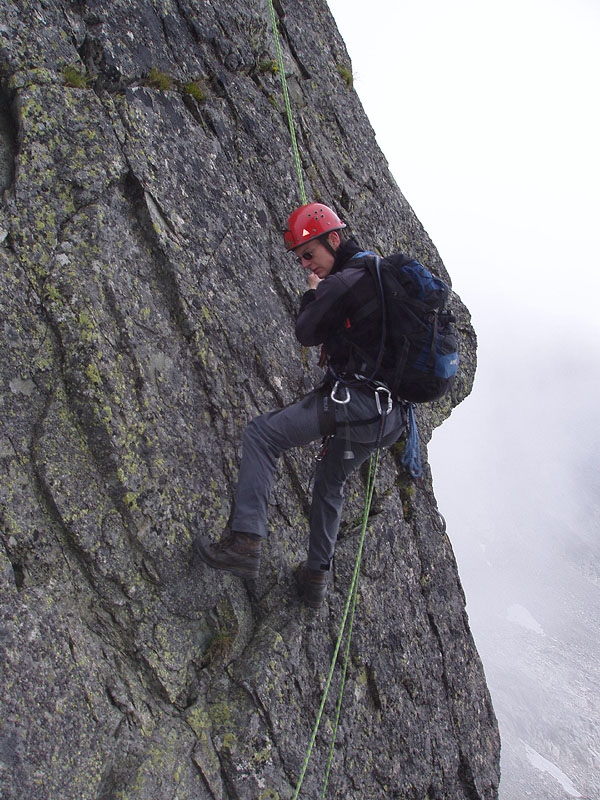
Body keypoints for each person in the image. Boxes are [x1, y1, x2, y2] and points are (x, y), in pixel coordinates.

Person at [195, 203, 406, 608]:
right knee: (330, 483)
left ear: (334, 239)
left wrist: (312, 293)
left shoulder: (343, 281)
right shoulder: (377, 274)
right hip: (389, 418)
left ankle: (245, 543)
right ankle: (315, 581)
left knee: (263, 434)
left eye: (310, 254)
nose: (307, 263)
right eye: (300, 258)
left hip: (356, 405)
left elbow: (306, 332)